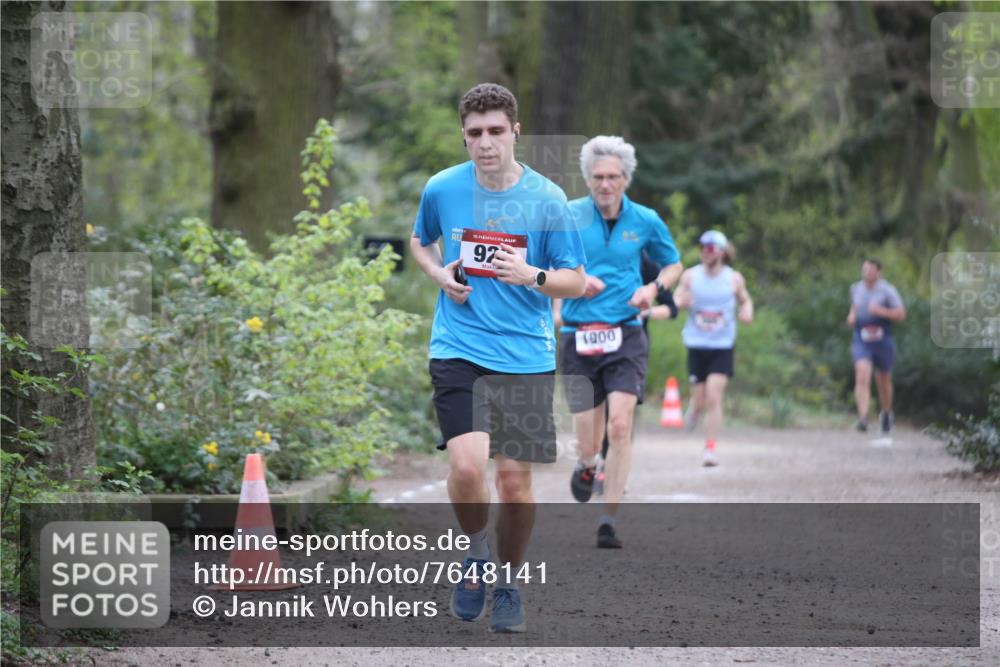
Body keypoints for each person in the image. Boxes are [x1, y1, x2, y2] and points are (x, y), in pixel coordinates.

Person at [410, 83, 586, 633]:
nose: (485, 144)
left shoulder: (548, 199)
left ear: (516, 132)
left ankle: (508, 582)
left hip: (524, 355)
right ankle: (477, 552)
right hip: (459, 347)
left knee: (514, 485)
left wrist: (532, 275)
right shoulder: (443, 188)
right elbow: (420, 241)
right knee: (465, 468)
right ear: (464, 138)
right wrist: (441, 275)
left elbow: (575, 281)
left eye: (495, 132)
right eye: (474, 134)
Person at [552, 135, 682, 549]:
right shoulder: (569, 215)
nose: (605, 184)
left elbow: (674, 264)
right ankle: (587, 463)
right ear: (588, 179)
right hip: (578, 334)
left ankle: (608, 519)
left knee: (621, 425)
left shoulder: (645, 220)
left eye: (612, 177)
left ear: (625, 179)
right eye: (597, 177)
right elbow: (544, 263)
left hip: (626, 331)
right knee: (588, 433)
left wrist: (654, 288)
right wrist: (575, 281)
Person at [673, 230, 753, 467]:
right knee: (699, 399)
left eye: (710, 248)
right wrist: (680, 301)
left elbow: (745, 299)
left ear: (721, 251)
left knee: (713, 396)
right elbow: (676, 298)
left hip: (722, 345)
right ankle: (694, 411)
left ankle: (710, 449)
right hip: (697, 344)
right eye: (703, 248)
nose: (705, 252)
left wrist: (747, 310)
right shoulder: (690, 276)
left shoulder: (734, 279)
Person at [846, 258, 905, 434]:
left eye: (870, 270)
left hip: (882, 337)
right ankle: (863, 418)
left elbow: (901, 314)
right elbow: (854, 307)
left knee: (883, 379)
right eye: (864, 270)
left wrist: (881, 311)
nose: (866, 273)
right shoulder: (855, 288)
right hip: (862, 337)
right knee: (862, 374)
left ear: (878, 272)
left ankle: (886, 413)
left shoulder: (888, 290)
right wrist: (851, 316)